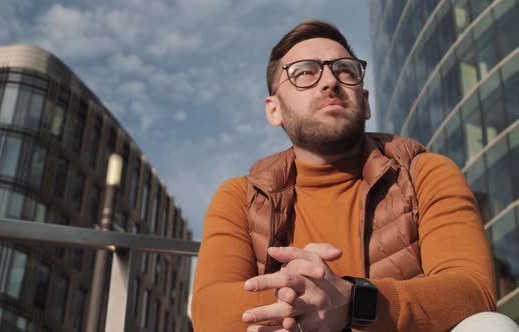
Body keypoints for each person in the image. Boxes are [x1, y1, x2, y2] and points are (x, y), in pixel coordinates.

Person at [191, 20, 519, 332]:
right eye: (304, 72)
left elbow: (471, 290)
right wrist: (306, 296)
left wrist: (352, 301)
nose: (330, 81)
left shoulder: (425, 172)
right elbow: (209, 309)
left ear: (365, 103)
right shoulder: (241, 197)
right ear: (273, 109)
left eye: (345, 70)